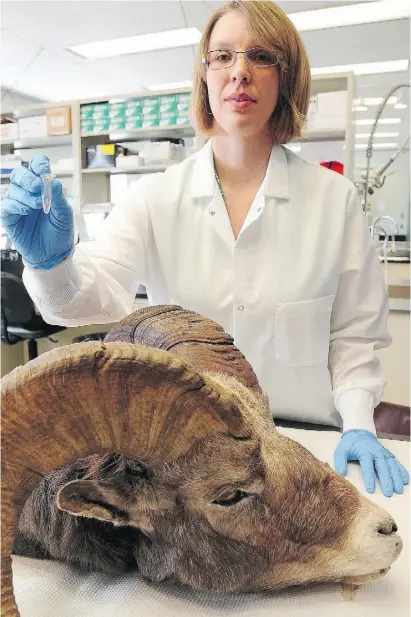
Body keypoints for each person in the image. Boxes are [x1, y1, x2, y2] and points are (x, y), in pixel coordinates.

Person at [1, 1, 408, 497]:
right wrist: (51, 263)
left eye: (260, 56)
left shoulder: (334, 201)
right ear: (205, 75)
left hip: (306, 444)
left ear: (287, 77)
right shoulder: (155, 197)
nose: (239, 71)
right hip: (188, 457)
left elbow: (353, 336)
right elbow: (88, 298)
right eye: (222, 56)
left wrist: (360, 423)